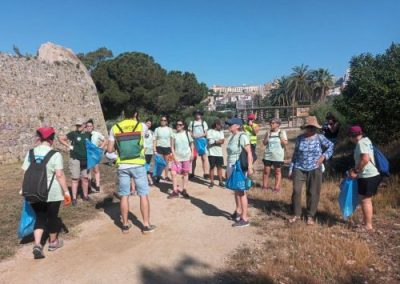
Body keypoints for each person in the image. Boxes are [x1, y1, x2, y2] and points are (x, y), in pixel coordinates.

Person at [22, 127, 70, 259]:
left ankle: (37, 245)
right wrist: (66, 192)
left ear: (39, 138)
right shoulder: (55, 154)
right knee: (52, 217)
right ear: (51, 139)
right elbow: (59, 175)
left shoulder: (30, 153)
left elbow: (25, 173)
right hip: (52, 193)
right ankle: (53, 242)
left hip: (34, 192)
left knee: (40, 217)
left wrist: (25, 189)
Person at [107, 108, 156, 234]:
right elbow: (144, 142)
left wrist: (118, 155)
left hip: (123, 165)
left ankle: (125, 225)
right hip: (138, 164)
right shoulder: (142, 126)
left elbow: (109, 149)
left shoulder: (115, 127)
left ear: (123, 114)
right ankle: (145, 225)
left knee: (124, 195)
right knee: (143, 194)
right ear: (135, 114)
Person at [288, 116, 334, 225]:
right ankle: (296, 214)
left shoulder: (320, 137)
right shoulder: (299, 138)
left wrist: (323, 157)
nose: (311, 129)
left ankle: (310, 216)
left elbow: (331, 146)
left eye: (313, 127)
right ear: (305, 128)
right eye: (309, 127)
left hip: (314, 168)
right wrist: (291, 168)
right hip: (299, 167)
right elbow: (295, 154)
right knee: (296, 191)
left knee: (313, 192)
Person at [348, 125, 382, 231]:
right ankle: (365, 222)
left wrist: (356, 171)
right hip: (372, 174)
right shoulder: (366, 140)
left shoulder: (361, 143)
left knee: (365, 200)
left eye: (350, 136)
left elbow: (365, 159)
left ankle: (368, 225)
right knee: (364, 200)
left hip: (368, 175)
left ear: (352, 136)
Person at [226, 118, 254, 228]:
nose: (229, 126)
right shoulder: (232, 136)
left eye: (231, 124)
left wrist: (250, 166)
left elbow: (249, 152)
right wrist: (227, 169)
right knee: (236, 190)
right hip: (231, 165)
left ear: (237, 126)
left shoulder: (242, 136)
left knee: (241, 192)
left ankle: (245, 218)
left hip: (239, 167)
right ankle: (238, 211)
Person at [58, 118, 91, 206]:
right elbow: (61, 139)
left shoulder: (88, 134)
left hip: (85, 159)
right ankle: (74, 198)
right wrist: (69, 146)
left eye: (79, 125)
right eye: (77, 125)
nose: (78, 127)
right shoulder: (73, 134)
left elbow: (91, 145)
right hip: (75, 158)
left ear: (84, 125)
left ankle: (85, 196)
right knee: (75, 179)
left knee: (85, 178)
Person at [168, 119, 194, 199]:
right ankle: (175, 191)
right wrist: (174, 157)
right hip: (177, 157)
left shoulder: (187, 133)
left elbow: (191, 143)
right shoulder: (173, 134)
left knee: (185, 174)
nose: (178, 126)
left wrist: (192, 153)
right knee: (173, 173)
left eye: (180, 125)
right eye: (177, 124)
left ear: (183, 126)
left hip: (186, 156)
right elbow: (172, 146)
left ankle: (184, 190)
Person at [262, 118, 288, 192]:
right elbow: (264, 143)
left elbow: (285, 143)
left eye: (273, 123)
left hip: (278, 156)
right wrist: (267, 136)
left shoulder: (282, 132)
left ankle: (276, 187)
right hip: (268, 155)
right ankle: (264, 186)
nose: (271, 124)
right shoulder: (268, 132)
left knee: (277, 171)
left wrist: (281, 139)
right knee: (266, 171)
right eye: (270, 122)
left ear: (278, 124)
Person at [85, 119, 107, 193]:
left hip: (95, 154)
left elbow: (105, 140)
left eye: (90, 126)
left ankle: (97, 185)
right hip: (87, 154)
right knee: (87, 171)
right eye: (87, 126)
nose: (89, 127)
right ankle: (89, 186)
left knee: (96, 170)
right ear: (86, 127)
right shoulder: (84, 135)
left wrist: (100, 147)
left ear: (93, 126)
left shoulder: (97, 134)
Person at [189, 109, 209, 179]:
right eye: (196, 114)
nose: (197, 115)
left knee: (204, 158)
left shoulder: (204, 123)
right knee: (194, 158)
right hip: (194, 142)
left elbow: (206, 133)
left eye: (199, 114)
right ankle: (192, 173)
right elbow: (190, 132)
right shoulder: (192, 123)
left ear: (201, 115)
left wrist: (198, 136)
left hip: (202, 141)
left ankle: (206, 173)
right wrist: (193, 136)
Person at [153, 115, 173, 182]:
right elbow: (154, 140)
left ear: (167, 122)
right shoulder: (157, 129)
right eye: (162, 120)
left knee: (167, 162)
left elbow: (171, 140)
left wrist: (172, 150)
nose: (163, 121)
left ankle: (166, 176)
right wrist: (154, 149)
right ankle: (158, 176)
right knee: (160, 163)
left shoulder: (170, 129)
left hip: (167, 147)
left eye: (164, 120)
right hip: (159, 147)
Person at [207, 119, 225, 189]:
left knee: (219, 167)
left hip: (219, 153)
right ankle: (212, 182)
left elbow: (222, 141)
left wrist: (215, 141)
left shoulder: (221, 132)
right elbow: (210, 141)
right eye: (220, 125)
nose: (221, 126)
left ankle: (220, 182)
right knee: (212, 167)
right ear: (216, 125)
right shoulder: (210, 131)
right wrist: (217, 141)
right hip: (211, 153)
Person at [144, 118, 154, 186]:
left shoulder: (151, 132)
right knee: (144, 165)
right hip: (143, 151)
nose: (149, 125)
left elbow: (153, 141)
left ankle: (147, 179)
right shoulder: (142, 131)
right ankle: (148, 179)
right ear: (145, 123)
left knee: (147, 165)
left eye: (150, 124)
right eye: (147, 123)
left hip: (150, 151)